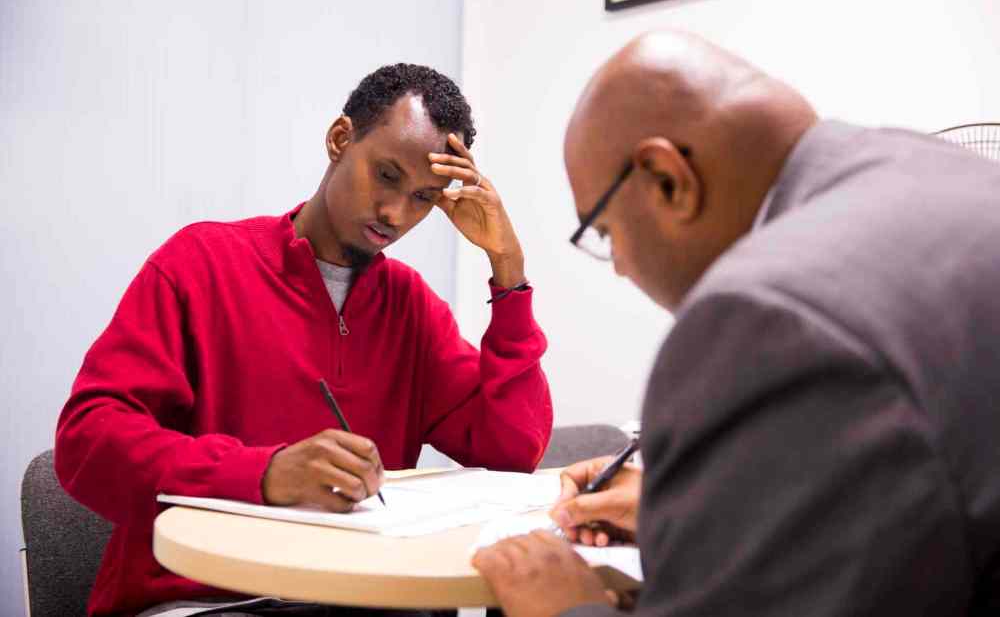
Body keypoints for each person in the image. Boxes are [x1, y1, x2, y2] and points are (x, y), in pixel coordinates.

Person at [472, 30, 1000, 616]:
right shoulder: (942, 173)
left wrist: (567, 607)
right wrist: (711, 520)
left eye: (605, 232)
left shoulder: (766, 316)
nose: (619, 265)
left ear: (669, 180)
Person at [55, 63, 553, 617]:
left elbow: (512, 450)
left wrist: (509, 271)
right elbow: (88, 443)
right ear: (340, 140)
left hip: (362, 597)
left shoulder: (409, 307)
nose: (395, 213)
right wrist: (262, 474)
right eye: (387, 176)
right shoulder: (200, 264)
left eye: (423, 198)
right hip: (201, 600)